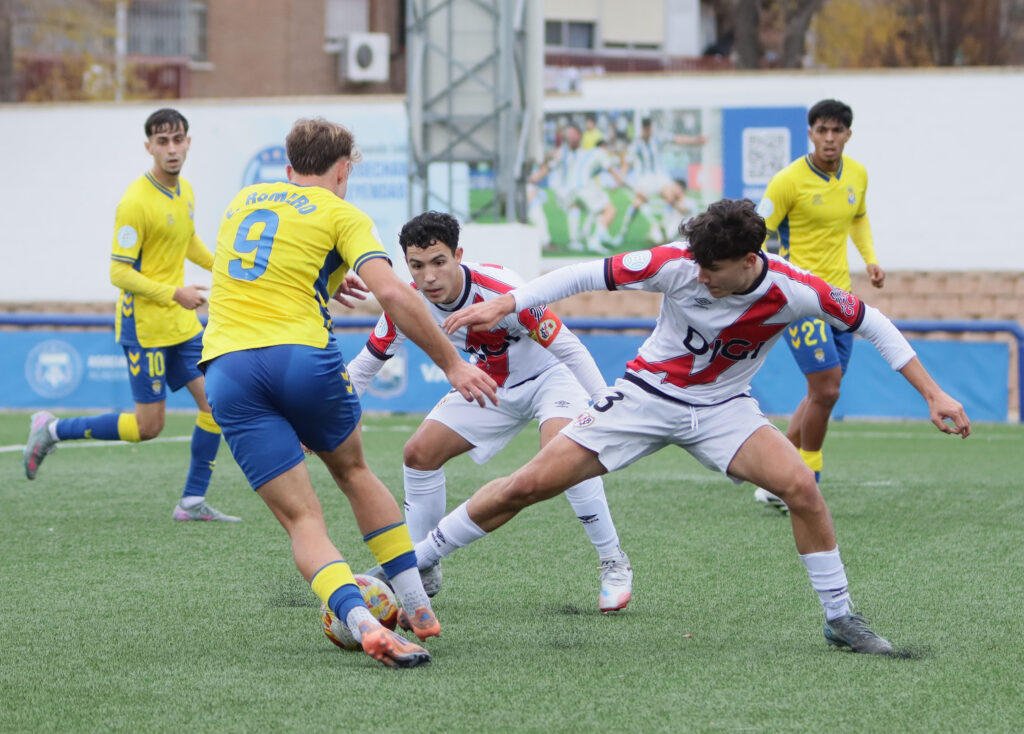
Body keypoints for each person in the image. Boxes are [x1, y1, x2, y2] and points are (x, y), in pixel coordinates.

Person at [420, 198, 970, 655]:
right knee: (528, 485)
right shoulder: (677, 262)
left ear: (750, 260)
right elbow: (585, 273)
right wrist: (508, 303)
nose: (699, 276)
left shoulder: (796, 290)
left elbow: (875, 323)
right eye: (697, 264)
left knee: (801, 487)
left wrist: (934, 392)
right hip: (644, 396)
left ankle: (840, 616)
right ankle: (413, 562)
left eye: (713, 269)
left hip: (724, 409)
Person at [199, 118, 498, 668]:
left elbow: (264, 265)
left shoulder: (243, 201)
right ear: (343, 170)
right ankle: (417, 607)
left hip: (227, 368)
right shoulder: (343, 212)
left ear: (289, 170)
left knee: (302, 521)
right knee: (354, 472)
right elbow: (395, 295)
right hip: (300, 359)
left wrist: (326, 277)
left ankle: (359, 621)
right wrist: (453, 364)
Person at [347, 211, 633, 612]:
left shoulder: (501, 291)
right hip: (489, 383)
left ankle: (613, 562)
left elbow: (568, 348)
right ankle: (422, 568)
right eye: (417, 265)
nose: (429, 276)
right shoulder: (407, 303)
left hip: (552, 376)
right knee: (418, 453)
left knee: (564, 455)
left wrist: (606, 405)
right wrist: (321, 419)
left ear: (458, 255)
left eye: (439, 262)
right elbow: (363, 368)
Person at [23, 108, 240, 522]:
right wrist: (175, 292)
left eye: (178, 140)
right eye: (163, 142)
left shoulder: (185, 191)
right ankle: (50, 430)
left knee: (216, 407)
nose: (172, 149)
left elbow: (186, 239)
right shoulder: (135, 202)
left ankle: (192, 503)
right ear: (149, 147)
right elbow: (118, 272)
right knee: (148, 427)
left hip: (180, 325)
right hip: (144, 328)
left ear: (189, 142)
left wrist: (222, 269)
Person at [753, 99, 883, 513]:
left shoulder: (857, 175)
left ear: (847, 135)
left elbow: (858, 217)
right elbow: (757, 232)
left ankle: (773, 473)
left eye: (837, 131)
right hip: (799, 300)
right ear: (810, 133)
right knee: (825, 388)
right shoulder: (788, 181)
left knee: (823, 392)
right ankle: (807, 480)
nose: (829, 138)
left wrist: (870, 258)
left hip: (840, 298)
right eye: (822, 130)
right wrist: (761, 283)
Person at [612, 116, 706, 246]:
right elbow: (626, 164)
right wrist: (619, 179)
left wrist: (695, 140)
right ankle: (621, 235)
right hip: (646, 179)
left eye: (648, 128)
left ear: (650, 128)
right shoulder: (636, 144)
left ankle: (672, 230)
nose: (646, 131)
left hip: (660, 177)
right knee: (636, 204)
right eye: (644, 128)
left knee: (672, 198)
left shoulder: (658, 138)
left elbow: (677, 139)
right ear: (641, 129)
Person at [528, 123, 617, 254]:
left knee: (582, 208)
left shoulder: (584, 153)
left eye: (573, 134)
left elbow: (594, 169)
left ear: (579, 135)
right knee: (601, 208)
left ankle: (580, 238)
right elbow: (548, 167)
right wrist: (534, 178)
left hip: (576, 190)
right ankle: (591, 239)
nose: (571, 137)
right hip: (568, 190)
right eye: (569, 135)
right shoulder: (562, 153)